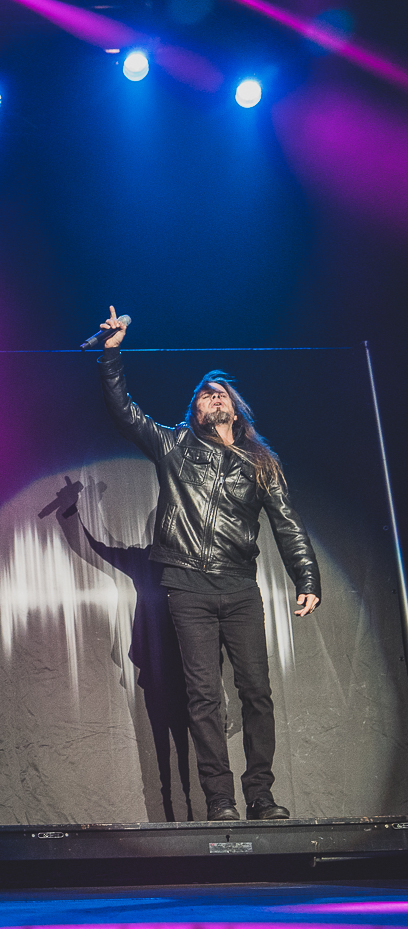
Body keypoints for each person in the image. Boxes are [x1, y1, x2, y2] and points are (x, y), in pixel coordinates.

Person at [97, 307, 319, 822]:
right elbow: (124, 412)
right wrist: (112, 353)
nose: (213, 396)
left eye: (221, 393)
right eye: (204, 393)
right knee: (203, 697)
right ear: (195, 409)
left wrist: (306, 576)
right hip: (187, 588)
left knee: (256, 694)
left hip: (240, 588)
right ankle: (220, 801)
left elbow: (287, 523)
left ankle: (261, 797)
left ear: (236, 410)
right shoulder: (174, 446)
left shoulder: (261, 462)